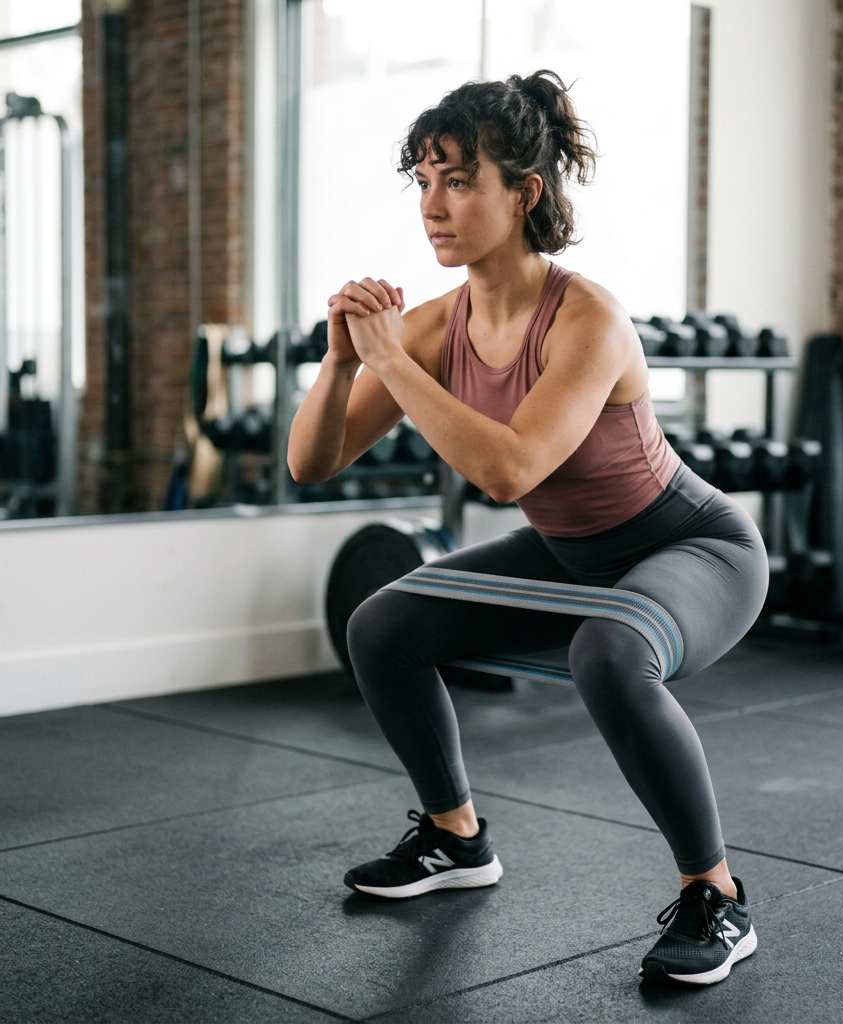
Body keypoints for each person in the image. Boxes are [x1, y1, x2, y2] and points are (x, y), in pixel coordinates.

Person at [287, 70, 769, 987]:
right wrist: (341, 361)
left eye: (459, 180)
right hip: (570, 555)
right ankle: (455, 836)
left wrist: (390, 354)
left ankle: (718, 895)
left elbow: (508, 469)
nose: (432, 204)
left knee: (607, 655)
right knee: (381, 626)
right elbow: (312, 462)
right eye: (423, 180)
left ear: (525, 193)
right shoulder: (432, 327)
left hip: (691, 548)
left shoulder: (587, 317)